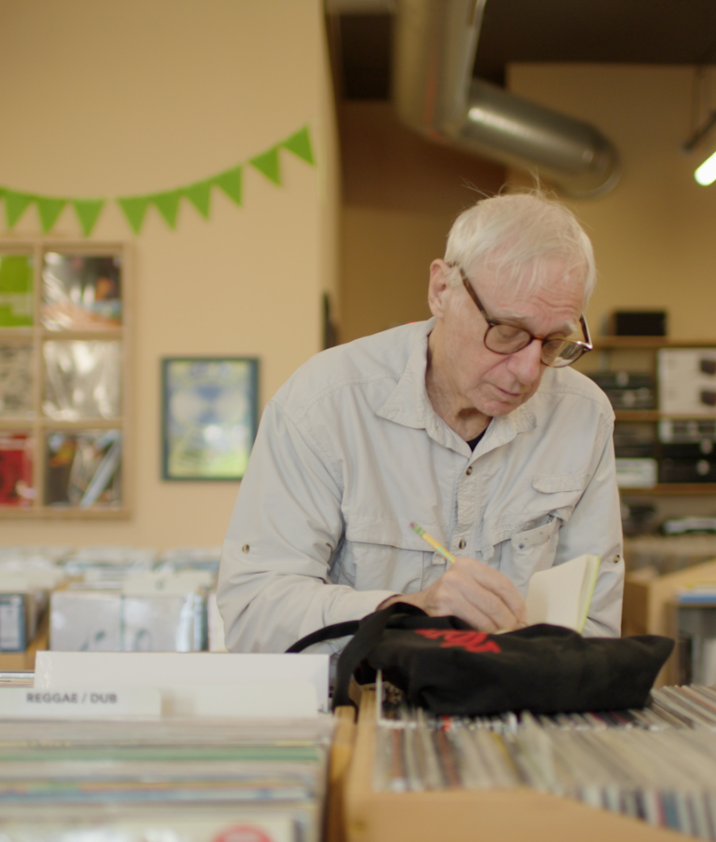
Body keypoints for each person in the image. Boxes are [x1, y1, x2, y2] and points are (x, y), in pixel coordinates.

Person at [217, 191, 624, 653]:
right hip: (358, 710)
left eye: (553, 343)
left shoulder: (583, 416)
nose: (529, 371)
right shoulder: (323, 404)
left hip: (518, 710)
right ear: (441, 291)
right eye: (507, 333)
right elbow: (254, 616)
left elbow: (594, 628)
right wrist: (406, 613)